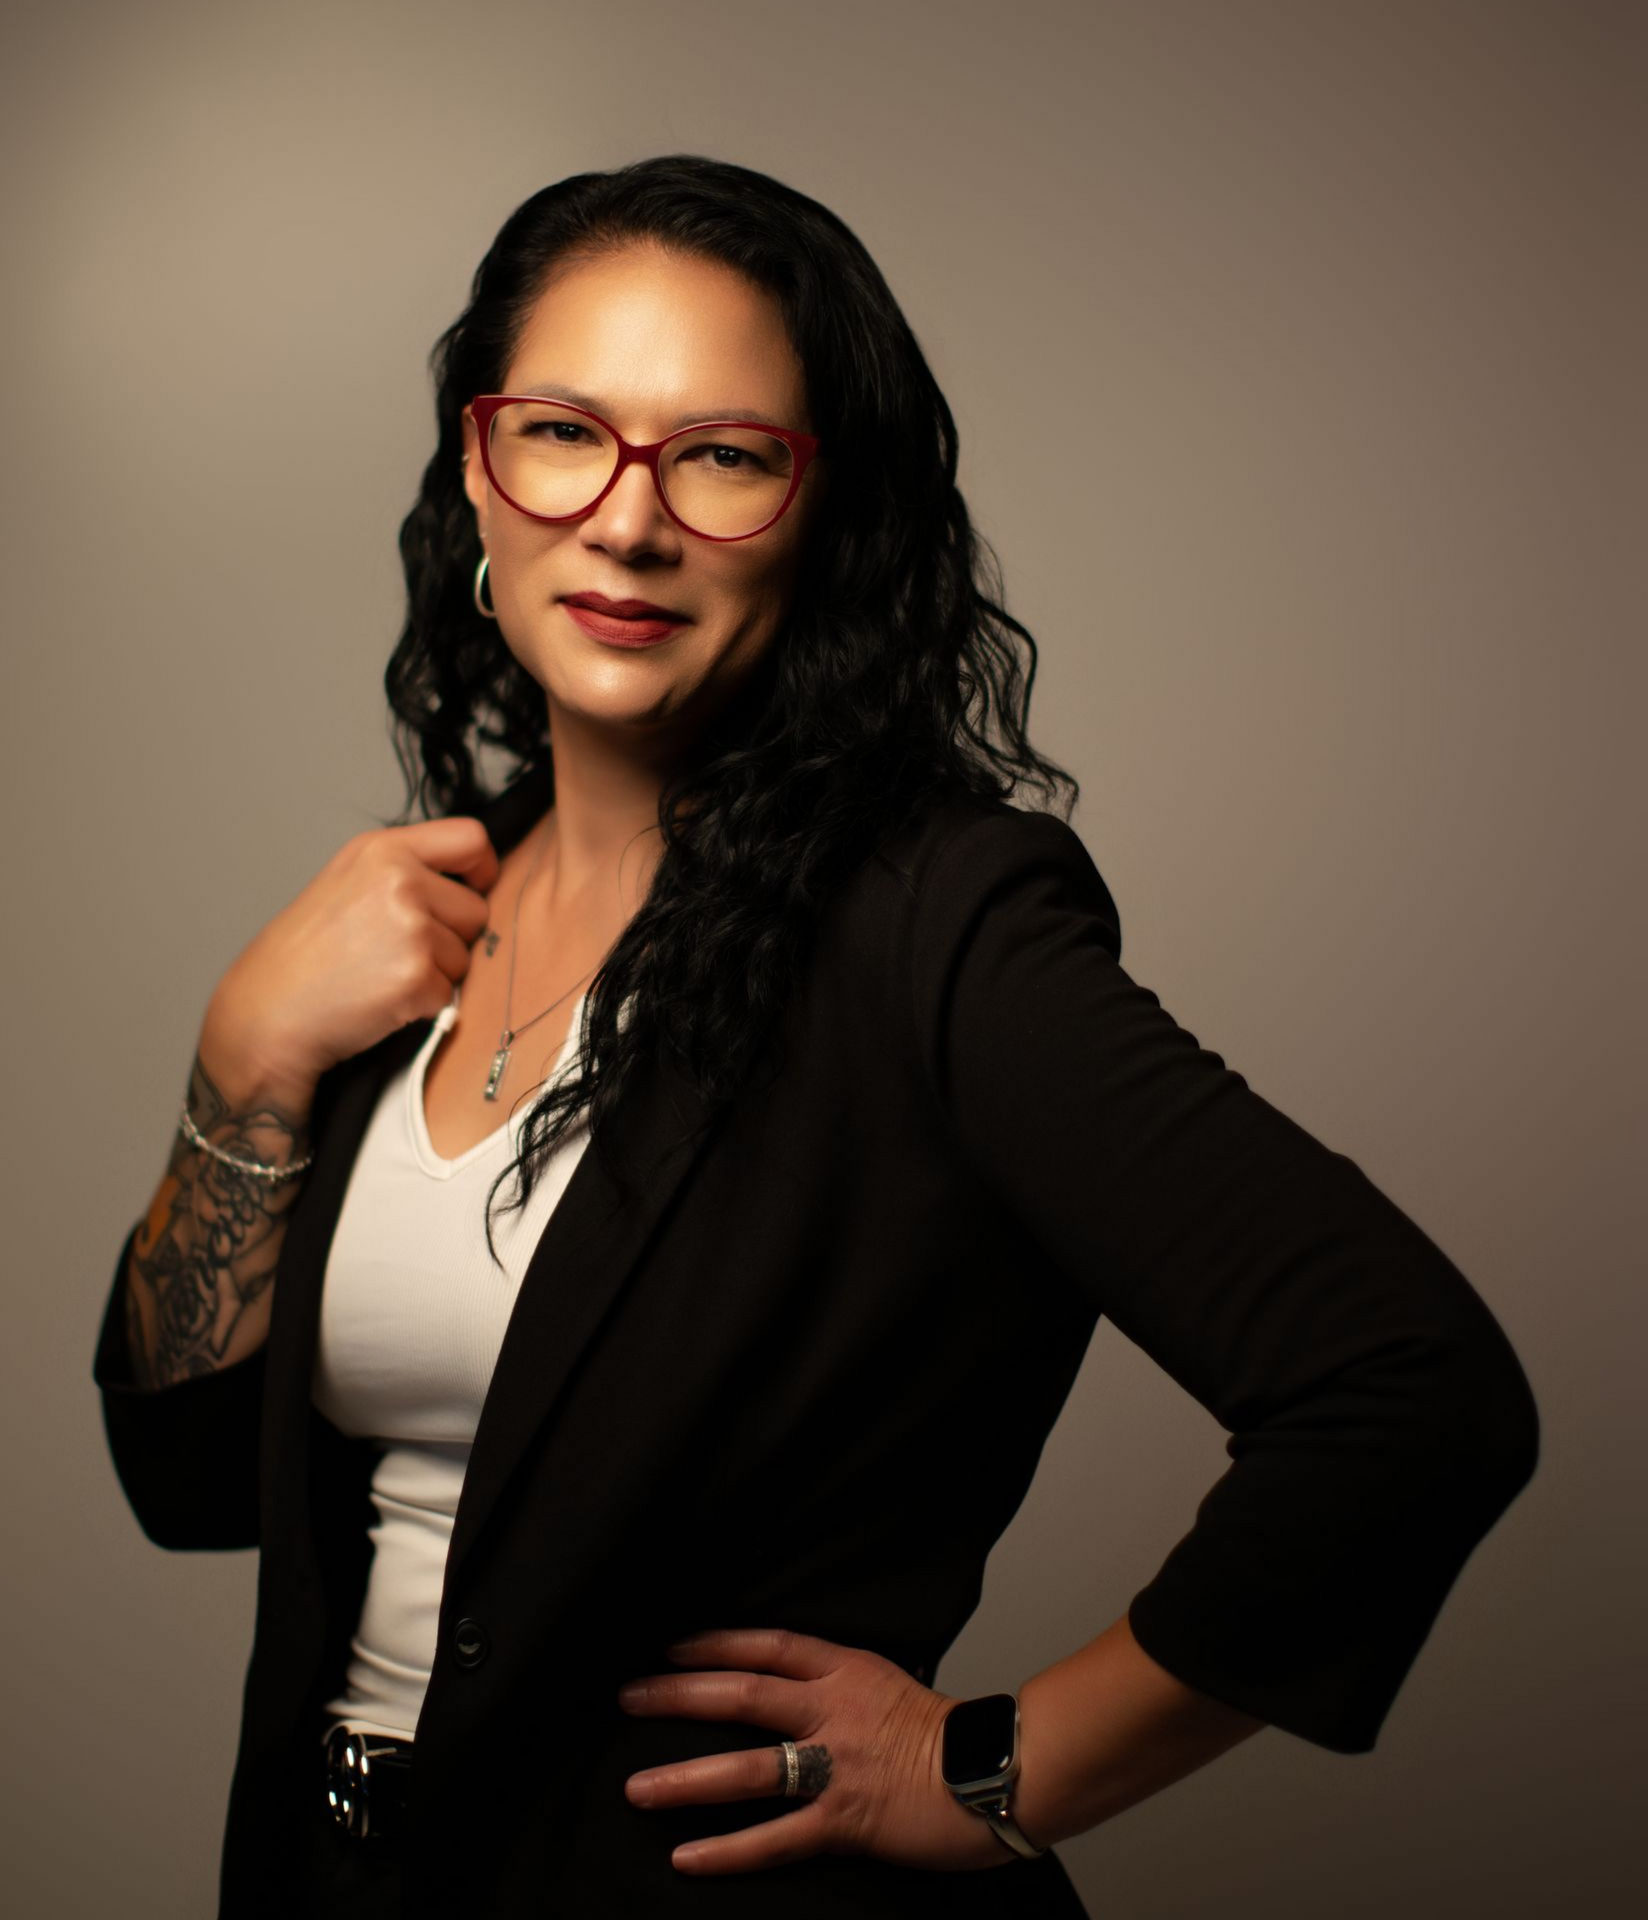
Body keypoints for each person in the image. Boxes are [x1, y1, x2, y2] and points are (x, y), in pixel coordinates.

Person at [90, 155, 1540, 1919]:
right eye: (562, 432)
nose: (627, 520)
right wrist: (241, 1064)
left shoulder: (931, 923)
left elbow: (1409, 1391)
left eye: (721, 456)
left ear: (820, 507)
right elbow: (189, 1480)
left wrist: (992, 1772)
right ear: (479, 466)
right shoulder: (418, 918)